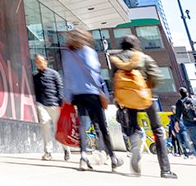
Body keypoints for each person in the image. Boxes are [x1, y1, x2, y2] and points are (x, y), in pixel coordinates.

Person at [111, 34, 177, 179]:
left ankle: (135, 149)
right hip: (145, 97)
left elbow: (114, 81)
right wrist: (148, 85)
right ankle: (165, 170)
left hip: (127, 100)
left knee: (133, 127)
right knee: (157, 130)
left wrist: (118, 99)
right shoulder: (143, 57)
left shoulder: (116, 59)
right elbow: (157, 78)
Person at [62, 28, 122, 172]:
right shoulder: (88, 51)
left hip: (77, 95)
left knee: (82, 126)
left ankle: (83, 157)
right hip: (92, 93)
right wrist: (102, 91)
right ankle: (113, 158)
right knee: (101, 125)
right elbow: (94, 70)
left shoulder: (67, 54)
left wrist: (67, 96)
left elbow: (67, 76)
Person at [33, 54, 70, 161]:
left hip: (54, 104)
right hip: (41, 104)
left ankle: (66, 149)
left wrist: (61, 101)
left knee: (59, 129)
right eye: (37, 62)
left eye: (40, 61)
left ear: (46, 61)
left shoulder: (54, 74)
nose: (38, 63)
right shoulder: (35, 77)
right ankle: (48, 152)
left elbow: (60, 87)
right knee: (45, 125)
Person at [173, 86, 196, 157]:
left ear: (180, 94)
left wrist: (176, 123)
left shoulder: (179, 102)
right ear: (187, 93)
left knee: (194, 140)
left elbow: (178, 114)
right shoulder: (193, 100)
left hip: (188, 123)